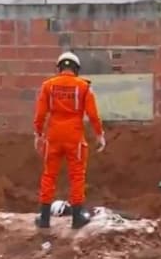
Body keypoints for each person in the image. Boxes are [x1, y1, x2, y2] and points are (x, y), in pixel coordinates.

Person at [33, 51, 106, 229]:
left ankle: (44, 218)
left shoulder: (48, 86)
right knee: (77, 176)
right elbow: (93, 115)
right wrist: (99, 134)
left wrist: (38, 134)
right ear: (76, 69)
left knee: (49, 175)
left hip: (54, 136)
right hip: (74, 137)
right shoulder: (84, 87)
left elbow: (41, 113)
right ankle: (76, 218)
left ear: (59, 68)